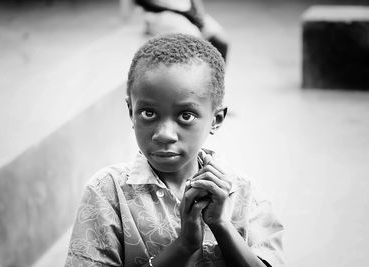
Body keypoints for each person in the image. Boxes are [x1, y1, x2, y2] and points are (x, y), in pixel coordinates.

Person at [65, 33, 284, 267]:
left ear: (216, 119)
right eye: (148, 113)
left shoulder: (243, 194)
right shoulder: (107, 192)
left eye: (185, 115)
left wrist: (221, 225)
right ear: (131, 111)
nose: (164, 134)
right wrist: (184, 246)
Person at [134, 0, 229, 62]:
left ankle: (216, 82)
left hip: (188, 10)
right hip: (160, 13)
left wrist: (197, 14)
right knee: (193, 41)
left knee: (221, 40)